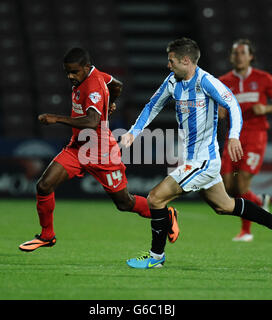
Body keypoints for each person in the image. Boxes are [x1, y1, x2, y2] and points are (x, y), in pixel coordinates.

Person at [120, 37, 272, 269]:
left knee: (155, 198)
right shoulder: (172, 81)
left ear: (186, 60)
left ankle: (156, 257)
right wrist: (134, 132)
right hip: (194, 159)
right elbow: (152, 106)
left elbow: (232, 104)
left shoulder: (206, 81)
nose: (168, 65)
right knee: (225, 206)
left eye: (171, 60)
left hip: (203, 161)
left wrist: (233, 135)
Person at [19, 48, 179, 252]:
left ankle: (167, 214)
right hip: (78, 148)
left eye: (74, 72)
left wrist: (56, 118)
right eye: (67, 72)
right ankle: (47, 236)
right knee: (44, 186)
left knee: (124, 203)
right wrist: (111, 102)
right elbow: (117, 85)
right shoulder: (96, 75)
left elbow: (92, 121)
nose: (70, 76)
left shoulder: (93, 86)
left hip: (102, 152)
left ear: (86, 68)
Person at [219, 39, 272, 242]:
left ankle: (246, 231)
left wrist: (265, 108)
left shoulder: (264, 78)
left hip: (256, 136)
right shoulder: (223, 81)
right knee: (228, 187)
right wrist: (220, 111)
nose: (238, 56)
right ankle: (259, 201)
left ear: (251, 56)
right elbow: (220, 109)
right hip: (234, 136)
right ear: (231, 57)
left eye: (242, 52)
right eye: (235, 53)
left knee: (240, 185)